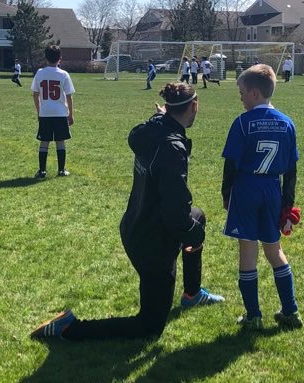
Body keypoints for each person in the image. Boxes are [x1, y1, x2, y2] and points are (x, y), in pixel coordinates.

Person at [31, 82, 224, 340]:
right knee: (150, 327)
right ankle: (69, 327)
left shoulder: (151, 130)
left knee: (197, 215)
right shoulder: (171, 147)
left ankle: (191, 294)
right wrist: (195, 237)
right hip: (153, 245)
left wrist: (160, 116)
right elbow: (175, 215)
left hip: (134, 227)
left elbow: (179, 210)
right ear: (194, 106)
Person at [221, 64, 302, 330]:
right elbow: (291, 169)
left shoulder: (242, 123)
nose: (240, 97)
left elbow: (231, 164)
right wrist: (287, 203)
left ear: (254, 93)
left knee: (247, 253)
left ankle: (254, 316)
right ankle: (290, 311)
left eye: (242, 92)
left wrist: (226, 194)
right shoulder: (287, 122)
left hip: (246, 188)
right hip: (272, 189)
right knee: (275, 251)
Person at [30, 45, 74, 178]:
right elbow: (69, 96)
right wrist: (71, 114)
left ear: (45, 57)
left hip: (45, 113)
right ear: (60, 58)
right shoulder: (64, 74)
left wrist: (39, 111)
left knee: (44, 142)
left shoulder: (40, 73)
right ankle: (61, 170)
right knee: (60, 141)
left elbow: (35, 94)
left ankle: (42, 171)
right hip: (60, 113)